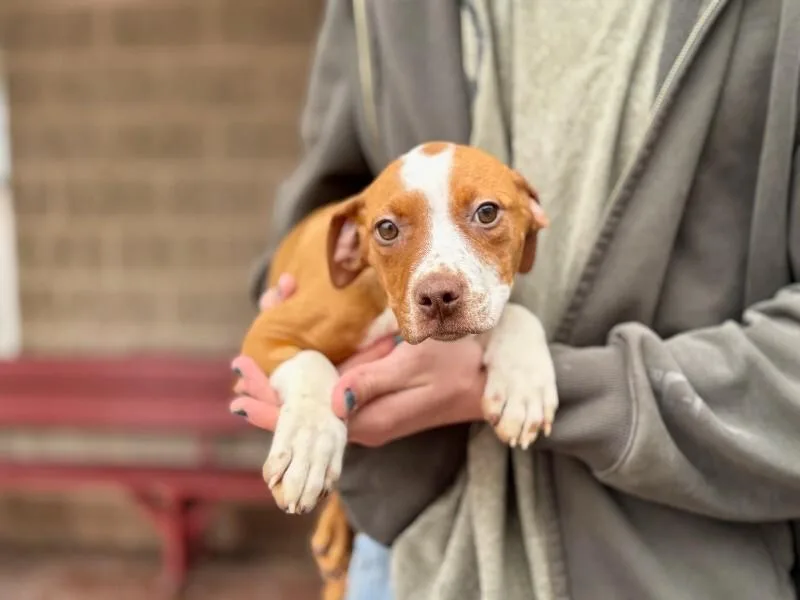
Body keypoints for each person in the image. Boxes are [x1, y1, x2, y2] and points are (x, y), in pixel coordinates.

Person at [230, 1, 800, 598]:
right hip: (411, 547)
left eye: (484, 215)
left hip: (673, 555)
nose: (440, 277)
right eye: (393, 233)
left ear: (532, 224)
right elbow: (330, 203)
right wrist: (310, 381)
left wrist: (569, 380)